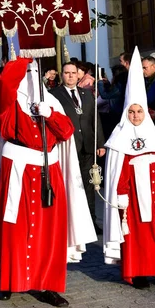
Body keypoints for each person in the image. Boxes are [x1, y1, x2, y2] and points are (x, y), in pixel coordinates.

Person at [0, 57, 96, 306]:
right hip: (19, 169)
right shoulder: (9, 101)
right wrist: (25, 52)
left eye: (35, 71)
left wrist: (49, 114)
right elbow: (4, 84)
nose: (31, 76)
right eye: (26, 71)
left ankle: (48, 284)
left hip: (48, 170)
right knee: (15, 228)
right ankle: (9, 281)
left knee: (49, 231)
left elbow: (66, 131)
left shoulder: (51, 100)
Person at [103, 47, 155, 290]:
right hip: (132, 198)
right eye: (132, 111)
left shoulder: (153, 135)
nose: (136, 115)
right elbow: (116, 169)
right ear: (126, 113)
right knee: (136, 235)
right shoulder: (119, 137)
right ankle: (137, 271)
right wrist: (121, 195)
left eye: (140, 111)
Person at [50, 61, 106, 233]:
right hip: (67, 146)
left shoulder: (87, 94)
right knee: (69, 184)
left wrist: (100, 143)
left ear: (78, 74)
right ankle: (68, 221)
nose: (71, 76)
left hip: (88, 146)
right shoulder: (54, 94)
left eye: (73, 73)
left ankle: (90, 220)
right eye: (67, 73)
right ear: (62, 75)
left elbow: (94, 119)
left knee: (89, 184)